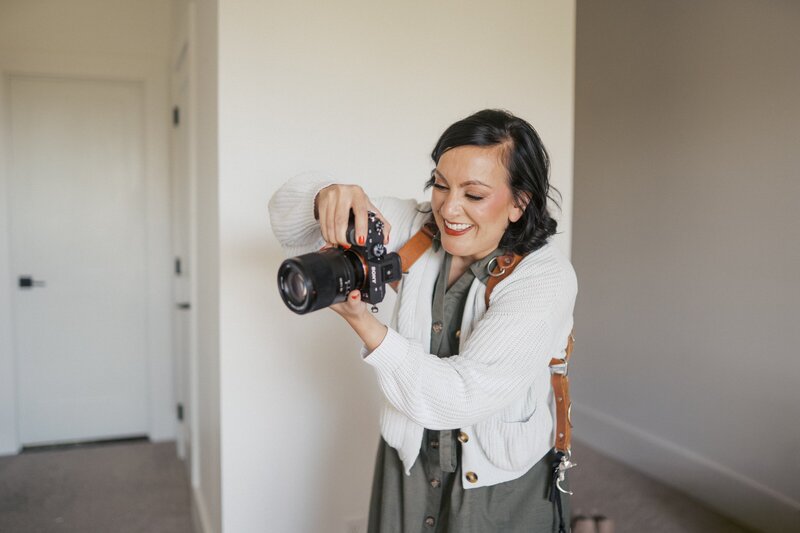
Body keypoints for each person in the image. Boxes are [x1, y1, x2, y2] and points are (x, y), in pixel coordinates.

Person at [269, 109, 578, 532]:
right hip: (408, 464)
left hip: (495, 482)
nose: (448, 208)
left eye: (473, 195)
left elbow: (461, 395)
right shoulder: (418, 228)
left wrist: (367, 326)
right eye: (440, 184)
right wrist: (326, 195)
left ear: (519, 203)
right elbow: (286, 220)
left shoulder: (544, 279)